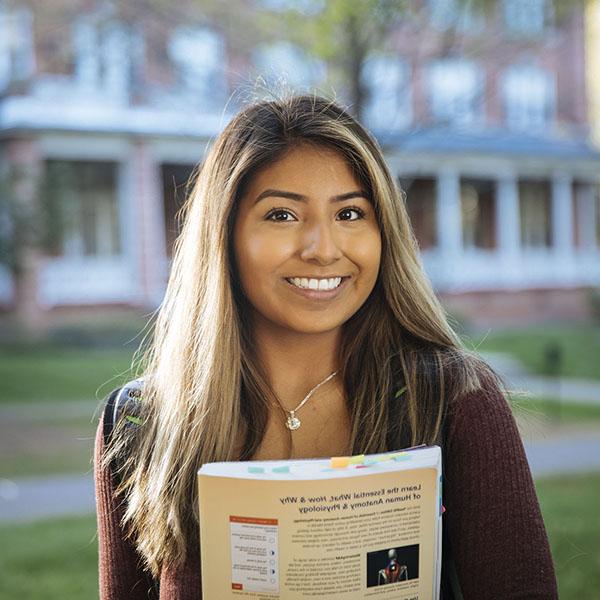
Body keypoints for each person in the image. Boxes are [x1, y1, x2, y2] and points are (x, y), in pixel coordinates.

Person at [95, 94, 558, 599]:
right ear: (224, 236)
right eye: (282, 216)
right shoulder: (140, 424)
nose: (322, 249)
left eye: (351, 214)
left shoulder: (456, 402)